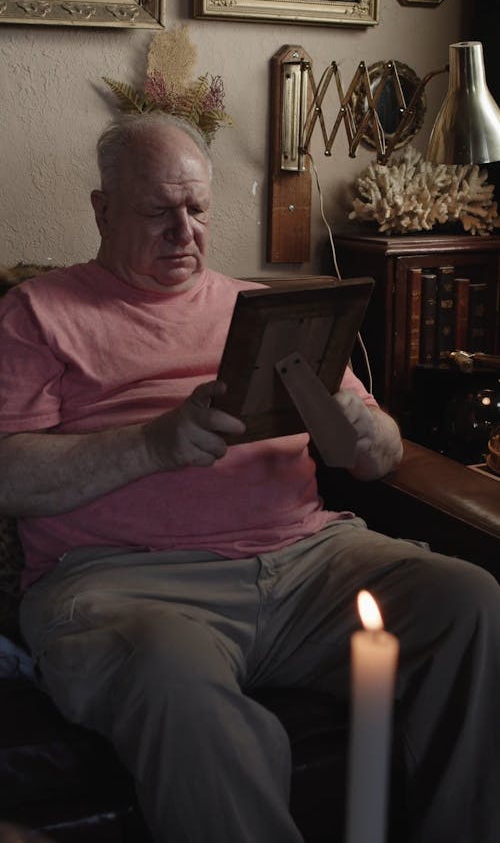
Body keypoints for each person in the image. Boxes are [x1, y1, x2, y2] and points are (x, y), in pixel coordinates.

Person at [0, 111, 499, 843]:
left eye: (197, 209)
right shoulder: (38, 314)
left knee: (470, 601)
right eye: (157, 212)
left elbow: (380, 453)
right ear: (102, 210)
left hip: (308, 563)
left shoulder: (268, 309)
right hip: (123, 583)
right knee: (176, 687)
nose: (184, 231)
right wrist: (153, 444)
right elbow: (8, 475)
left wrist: (370, 432)